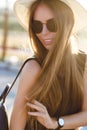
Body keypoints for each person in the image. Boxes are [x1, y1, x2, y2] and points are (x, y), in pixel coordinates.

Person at [10, 0, 87, 130]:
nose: (43, 32)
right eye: (37, 26)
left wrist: (55, 123)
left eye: (52, 24)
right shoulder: (33, 68)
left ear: (67, 24)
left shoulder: (84, 63)